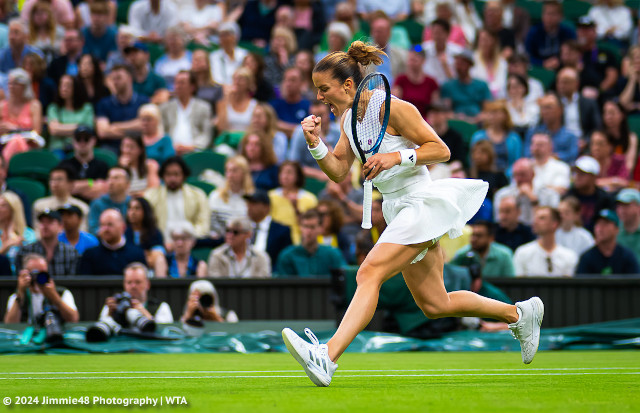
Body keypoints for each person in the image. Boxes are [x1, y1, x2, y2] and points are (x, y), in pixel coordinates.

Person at [282, 42, 543, 387]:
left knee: (368, 274)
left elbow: (441, 150)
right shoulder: (347, 121)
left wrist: (395, 158)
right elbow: (339, 170)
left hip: (420, 204)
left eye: (324, 90)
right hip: (396, 210)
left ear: (347, 85)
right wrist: (316, 143)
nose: (320, 98)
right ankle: (520, 313)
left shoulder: (393, 108)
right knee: (436, 303)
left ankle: (327, 356)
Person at [144, 156, 210, 239]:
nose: (172, 179)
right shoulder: (151, 196)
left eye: (176, 174)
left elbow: (203, 225)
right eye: (168, 174)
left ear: (184, 175)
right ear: (162, 176)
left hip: (191, 242)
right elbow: (146, 225)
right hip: (161, 243)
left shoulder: (198, 195)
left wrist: (189, 239)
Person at [4, 253, 79, 323]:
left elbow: (73, 319)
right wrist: (20, 294)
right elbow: (10, 323)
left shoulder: (62, 292)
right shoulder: (18, 296)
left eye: (42, 273)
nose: (38, 277)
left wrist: (54, 297)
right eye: (34, 273)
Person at [276, 208, 346, 278]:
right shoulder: (287, 256)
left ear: (321, 228)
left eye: (312, 227)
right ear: (300, 227)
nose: (308, 231)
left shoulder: (332, 254)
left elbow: (342, 279)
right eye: (305, 226)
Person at [95, 64, 148, 154]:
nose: (115, 82)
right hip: (111, 148)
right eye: (113, 79)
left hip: (137, 148)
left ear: (129, 79)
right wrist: (133, 130)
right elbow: (102, 132)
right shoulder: (104, 103)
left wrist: (115, 126)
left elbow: (144, 126)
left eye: (119, 78)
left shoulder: (143, 101)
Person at [78, 209, 147, 275]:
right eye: (102, 225)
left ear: (123, 227)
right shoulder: (90, 255)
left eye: (110, 224)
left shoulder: (137, 254)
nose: (105, 229)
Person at [99, 262, 173, 323]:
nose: (133, 286)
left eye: (138, 282)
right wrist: (109, 314)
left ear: (147, 284)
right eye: (129, 282)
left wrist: (146, 315)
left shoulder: (161, 307)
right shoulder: (111, 306)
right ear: (124, 284)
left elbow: (165, 333)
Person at [513, 206, 577, 277]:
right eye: (535, 218)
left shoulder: (568, 256)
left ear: (554, 224)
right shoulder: (522, 253)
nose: (535, 222)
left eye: (542, 218)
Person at [493, 159, 560, 226]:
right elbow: (499, 221)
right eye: (515, 175)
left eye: (522, 175)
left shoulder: (549, 194)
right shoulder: (502, 195)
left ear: (533, 174)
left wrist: (533, 199)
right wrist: (516, 199)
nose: (519, 179)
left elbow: (553, 222)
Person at [160, 70, 212, 155]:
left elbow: (206, 134)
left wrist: (192, 146)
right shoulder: (165, 108)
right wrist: (170, 146)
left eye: (182, 83)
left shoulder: (204, 107)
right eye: (176, 83)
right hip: (171, 151)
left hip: (195, 151)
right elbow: (161, 131)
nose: (178, 86)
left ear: (192, 87)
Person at [288, 99, 341, 179]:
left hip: (333, 177)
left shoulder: (337, 132)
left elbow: (341, 162)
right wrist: (319, 174)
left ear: (329, 114)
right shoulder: (300, 132)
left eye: (320, 115)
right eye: (313, 116)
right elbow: (294, 164)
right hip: (307, 178)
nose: (316, 120)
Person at [576, 209, 640, 276]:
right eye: (598, 224)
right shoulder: (587, 258)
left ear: (616, 229)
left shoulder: (626, 257)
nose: (600, 228)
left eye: (605, 224)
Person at [15, 209, 79, 275]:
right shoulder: (26, 251)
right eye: (42, 222)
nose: (45, 226)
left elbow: (74, 281)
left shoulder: (70, 252)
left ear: (60, 226)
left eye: (50, 222)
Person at [269, 161, 318, 244]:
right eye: (282, 172)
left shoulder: (310, 199)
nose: (285, 176)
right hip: (274, 240)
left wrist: (296, 207)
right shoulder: (271, 196)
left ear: (298, 176)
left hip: (298, 242)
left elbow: (310, 225)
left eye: (289, 172)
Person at [563, 156, 616, 232]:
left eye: (582, 174)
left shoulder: (605, 200)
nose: (577, 177)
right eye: (575, 173)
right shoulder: (567, 197)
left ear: (593, 177)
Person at [46, 74, 94, 157]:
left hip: (81, 147)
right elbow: (54, 130)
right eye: (61, 85)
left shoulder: (87, 108)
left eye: (68, 86)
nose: (63, 89)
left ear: (76, 88)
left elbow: (88, 130)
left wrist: (61, 128)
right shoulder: (53, 108)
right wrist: (79, 126)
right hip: (58, 148)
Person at [207, 216, 271, 278]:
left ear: (248, 234)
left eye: (235, 232)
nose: (230, 235)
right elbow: (216, 283)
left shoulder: (261, 257)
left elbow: (263, 284)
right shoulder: (217, 256)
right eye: (228, 231)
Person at [524, 93, 579, 165]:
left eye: (548, 107)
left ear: (560, 110)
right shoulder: (532, 133)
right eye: (542, 108)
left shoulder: (570, 137)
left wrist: (555, 157)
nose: (544, 111)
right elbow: (526, 154)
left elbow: (573, 156)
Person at [470, 100, 522, 175]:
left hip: (507, 177)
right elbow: (473, 160)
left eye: (496, 113)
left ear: (505, 116)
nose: (492, 116)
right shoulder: (478, 136)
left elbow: (517, 162)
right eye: (489, 113)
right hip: (483, 176)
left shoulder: (514, 139)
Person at [59, 126, 109, 203]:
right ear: (73, 141)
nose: (82, 143)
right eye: (78, 139)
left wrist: (76, 187)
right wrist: (92, 183)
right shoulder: (64, 165)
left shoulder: (102, 165)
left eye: (86, 139)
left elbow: (102, 189)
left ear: (94, 141)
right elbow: (63, 188)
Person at [244, 189, 292, 270]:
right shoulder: (241, 228)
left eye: (254, 203)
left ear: (266, 207)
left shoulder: (281, 231)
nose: (249, 206)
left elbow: (284, 260)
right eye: (248, 203)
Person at [440, 49, 492, 123]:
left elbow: (488, 110)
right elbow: (446, 111)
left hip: (478, 123)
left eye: (462, 63)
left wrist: (478, 118)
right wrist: (459, 118)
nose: (458, 67)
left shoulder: (481, 85)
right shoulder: (448, 86)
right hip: (456, 122)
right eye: (457, 63)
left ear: (469, 65)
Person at [450, 220, 515, 277]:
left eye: (479, 236)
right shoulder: (462, 255)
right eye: (473, 235)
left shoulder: (504, 256)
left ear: (491, 238)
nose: (474, 239)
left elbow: (511, 283)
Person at [32, 165, 89, 231]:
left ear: (70, 183)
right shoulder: (39, 205)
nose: (54, 183)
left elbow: (82, 232)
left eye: (59, 179)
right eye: (52, 179)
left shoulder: (82, 207)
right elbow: (38, 233)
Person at [208, 155, 253, 238]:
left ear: (244, 173)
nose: (230, 175)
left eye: (234, 171)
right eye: (228, 171)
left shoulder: (252, 198)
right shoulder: (215, 196)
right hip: (220, 240)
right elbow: (211, 225)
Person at [555, 67, 602, 142]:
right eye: (559, 82)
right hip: (560, 144)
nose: (561, 86)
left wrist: (586, 141)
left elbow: (596, 127)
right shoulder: (554, 103)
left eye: (565, 82)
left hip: (583, 142)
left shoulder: (589, 103)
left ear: (576, 83)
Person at [524, 0, 575, 69]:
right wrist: (542, 63)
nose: (549, 17)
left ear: (560, 16)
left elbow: (573, 54)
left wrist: (559, 61)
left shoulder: (567, 33)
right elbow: (527, 56)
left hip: (562, 68)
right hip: (539, 69)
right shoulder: (534, 32)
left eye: (553, 14)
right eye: (547, 14)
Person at [391, 45, 439, 118]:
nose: (412, 62)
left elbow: (434, 108)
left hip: (425, 122)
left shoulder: (431, 82)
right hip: (404, 119)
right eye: (410, 59)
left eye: (415, 59)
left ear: (423, 61)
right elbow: (395, 103)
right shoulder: (400, 80)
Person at [125, 196, 164, 272]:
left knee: (160, 260)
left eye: (137, 208)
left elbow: (153, 259)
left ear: (145, 211)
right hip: (127, 268)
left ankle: (161, 283)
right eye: (130, 208)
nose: (133, 212)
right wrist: (144, 254)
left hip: (150, 270)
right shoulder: (124, 233)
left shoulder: (155, 233)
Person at [87, 166, 131, 234]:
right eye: (109, 178)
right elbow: (93, 229)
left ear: (127, 184)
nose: (111, 182)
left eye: (116, 178)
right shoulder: (97, 204)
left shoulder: (133, 204)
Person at [269, 67, 311, 138]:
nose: (288, 84)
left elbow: (311, 130)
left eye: (293, 80)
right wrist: (299, 129)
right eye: (286, 80)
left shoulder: (308, 105)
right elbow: (271, 125)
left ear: (302, 83)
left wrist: (281, 126)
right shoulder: (274, 105)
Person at [0, 191, 36, 271]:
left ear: (13, 209)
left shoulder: (29, 235)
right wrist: (5, 247)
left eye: (3, 206)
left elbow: (33, 260)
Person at [470, 29, 508, 99]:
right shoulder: (472, 59)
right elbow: (473, 80)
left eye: (486, 40)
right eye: (481, 40)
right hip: (477, 97)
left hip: (497, 98)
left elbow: (502, 84)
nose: (483, 43)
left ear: (493, 41)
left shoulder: (502, 62)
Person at [602, 100, 638, 174]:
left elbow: (629, 166)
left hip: (623, 177)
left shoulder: (631, 138)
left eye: (612, 113)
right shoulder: (601, 137)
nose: (608, 117)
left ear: (622, 115)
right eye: (605, 113)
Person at [153, 26, 192, 92]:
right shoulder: (160, 62)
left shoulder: (192, 58)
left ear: (183, 40)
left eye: (176, 39)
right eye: (170, 39)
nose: (173, 42)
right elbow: (157, 84)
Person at [209, 21, 247, 87]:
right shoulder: (214, 56)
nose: (223, 38)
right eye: (221, 36)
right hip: (220, 90)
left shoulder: (244, 54)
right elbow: (216, 78)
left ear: (235, 37)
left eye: (226, 35)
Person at [615, 188, 640, 261]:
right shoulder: (614, 232)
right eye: (619, 206)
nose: (622, 210)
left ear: (638, 207)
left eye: (626, 205)